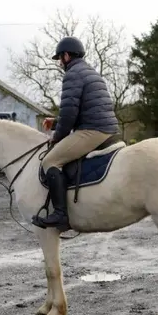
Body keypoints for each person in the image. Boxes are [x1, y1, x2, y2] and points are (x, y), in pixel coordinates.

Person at [32, 36, 119, 231]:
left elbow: (69, 112)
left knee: (50, 161)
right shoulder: (91, 72)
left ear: (66, 55)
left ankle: (61, 215)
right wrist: (56, 122)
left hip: (93, 130)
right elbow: (81, 110)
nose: (61, 63)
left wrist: (57, 137)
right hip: (106, 127)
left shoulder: (73, 74)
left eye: (60, 58)